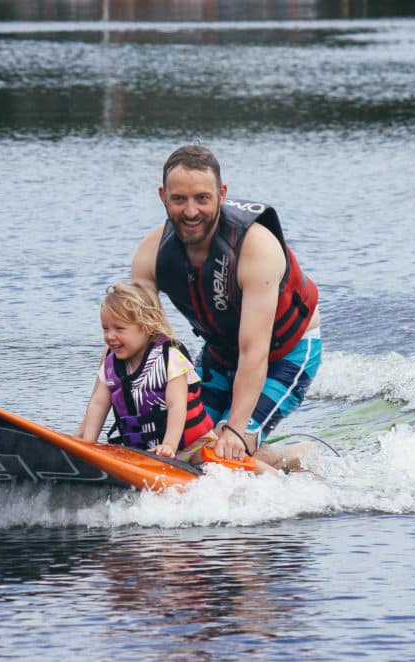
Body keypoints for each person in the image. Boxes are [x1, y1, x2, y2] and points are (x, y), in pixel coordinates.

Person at [131, 145, 322, 471]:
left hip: (284, 354)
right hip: (220, 354)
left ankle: (294, 457)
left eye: (202, 199)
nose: (191, 212)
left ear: (221, 194)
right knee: (186, 443)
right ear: (163, 196)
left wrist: (233, 430)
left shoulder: (256, 248)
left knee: (227, 450)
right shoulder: (151, 256)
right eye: (179, 199)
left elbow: (254, 353)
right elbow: (137, 346)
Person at [74, 282, 277, 472]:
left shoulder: (170, 358)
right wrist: (86, 445)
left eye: (119, 329)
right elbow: (98, 404)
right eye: (105, 328)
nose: (110, 336)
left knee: (233, 464)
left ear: (147, 327)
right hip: (142, 452)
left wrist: (169, 446)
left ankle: (279, 477)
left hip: (193, 448)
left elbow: (176, 406)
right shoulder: (111, 363)